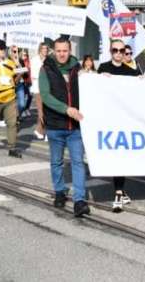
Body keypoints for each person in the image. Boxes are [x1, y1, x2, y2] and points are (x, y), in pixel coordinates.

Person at [40, 37, 89, 217]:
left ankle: (79, 200)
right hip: (55, 125)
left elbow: (92, 84)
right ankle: (60, 192)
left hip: (75, 126)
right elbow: (45, 96)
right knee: (56, 161)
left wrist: (101, 78)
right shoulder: (46, 68)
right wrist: (66, 109)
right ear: (54, 51)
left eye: (65, 50)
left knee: (78, 162)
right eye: (59, 50)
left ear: (70, 51)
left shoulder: (77, 68)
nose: (62, 54)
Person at [97, 39, 142, 212]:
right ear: (110, 51)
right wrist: (99, 79)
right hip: (108, 120)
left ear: (125, 52)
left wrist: (143, 81)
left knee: (121, 156)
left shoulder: (130, 71)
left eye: (121, 50)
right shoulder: (103, 68)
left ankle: (118, 191)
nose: (118, 53)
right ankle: (120, 191)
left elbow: (138, 93)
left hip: (124, 120)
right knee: (112, 155)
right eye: (115, 50)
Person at [30, 43, 49, 140]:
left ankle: (39, 130)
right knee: (41, 111)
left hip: (48, 88)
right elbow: (33, 75)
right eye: (43, 48)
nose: (45, 50)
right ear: (40, 49)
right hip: (38, 88)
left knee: (46, 110)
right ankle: (45, 132)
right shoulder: (34, 60)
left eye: (46, 48)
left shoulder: (49, 59)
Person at [11, 45, 31, 119]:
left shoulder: (21, 61)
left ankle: (17, 116)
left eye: (17, 51)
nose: (15, 53)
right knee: (10, 105)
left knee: (22, 104)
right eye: (14, 51)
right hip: (11, 85)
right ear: (10, 52)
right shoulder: (8, 60)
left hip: (20, 85)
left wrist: (19, 65)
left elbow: (25, 75)